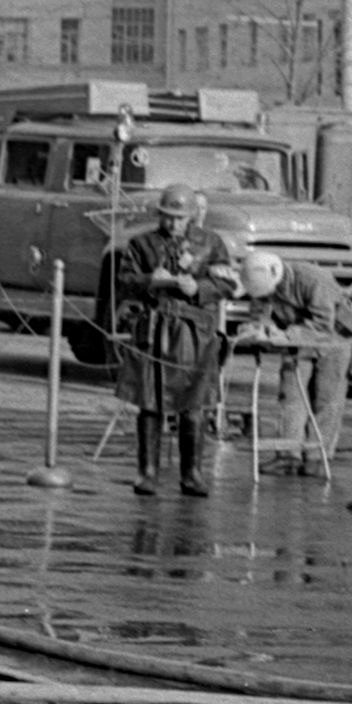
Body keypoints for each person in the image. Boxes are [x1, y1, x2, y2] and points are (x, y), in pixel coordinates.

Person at [113, 182, 235, 497]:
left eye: (180, 218)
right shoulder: (141, 244)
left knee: (194, 405)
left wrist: (200, 289)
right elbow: (124, 280)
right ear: (159, 214)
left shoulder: (212, 244)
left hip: (195, 334)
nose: (174, 223)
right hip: (154, 330)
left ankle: (192, 474)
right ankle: (147, 473)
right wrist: (149, 281)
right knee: (149, 404)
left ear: (192, 217)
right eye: (168, 217)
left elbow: (229, 285)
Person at [234, 251, 352, 475]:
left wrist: (285, 334)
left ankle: (318, 457)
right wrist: (257, 328)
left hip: (336, 336)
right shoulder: (262, 282)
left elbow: (323, 324)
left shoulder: (313, 279)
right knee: (291, 394)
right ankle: (288, 455)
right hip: (297, 337)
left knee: (327, 397)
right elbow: (259, 310)